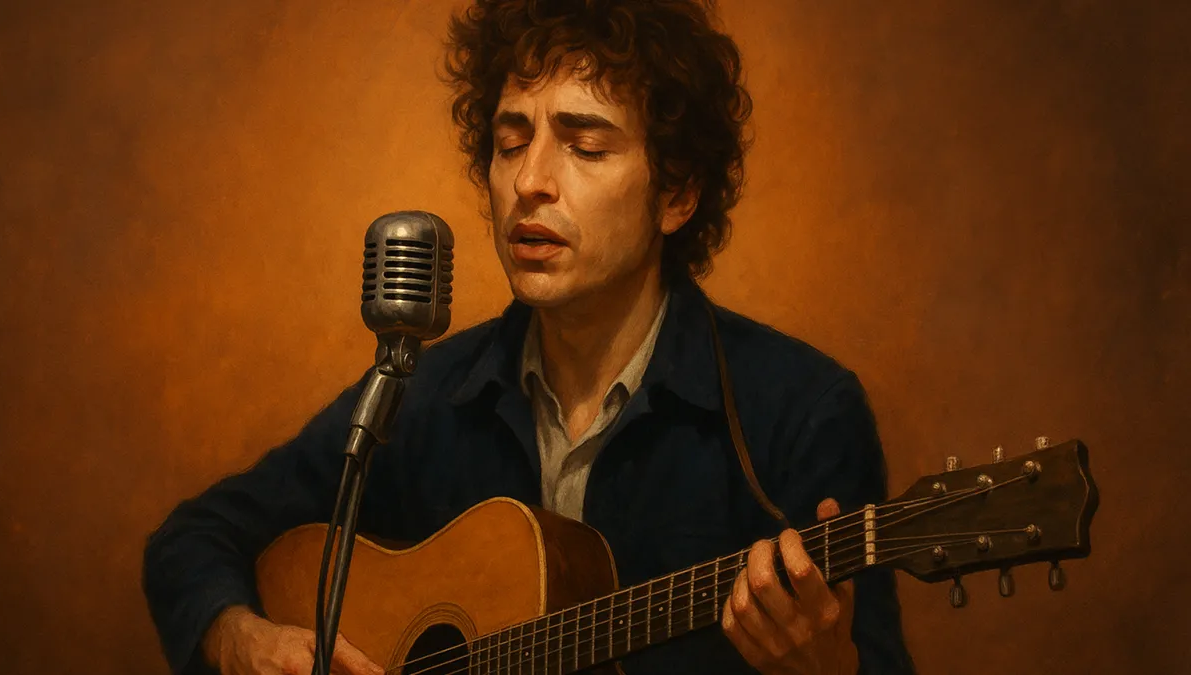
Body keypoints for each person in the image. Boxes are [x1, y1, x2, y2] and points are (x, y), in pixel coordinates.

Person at [143, 1, 915, 673]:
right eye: (511, 142)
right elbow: (193, 539)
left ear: (676, 194)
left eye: (585, 145)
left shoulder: (802, 411)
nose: (529, 181)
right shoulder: (425, 396)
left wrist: (827, 669)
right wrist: (239, 638)